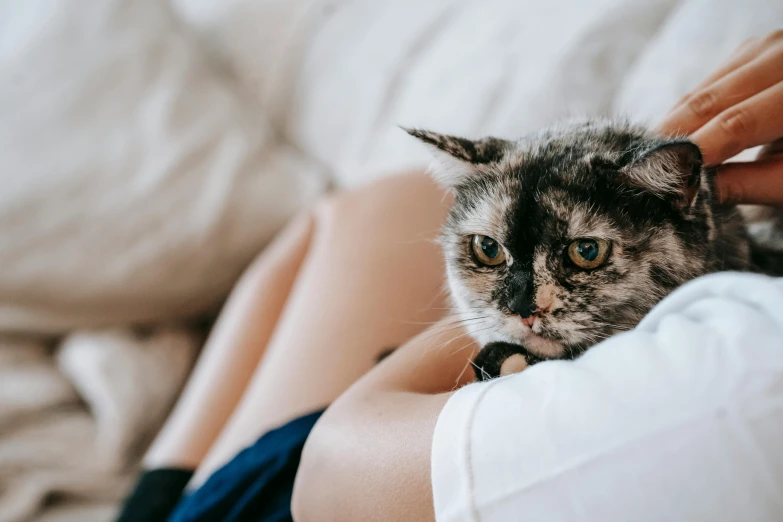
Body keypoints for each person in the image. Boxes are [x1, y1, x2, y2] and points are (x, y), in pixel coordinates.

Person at [116, 32, 783, 522]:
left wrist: (486, 327)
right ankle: (149, 505)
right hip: (335, 443)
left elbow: (331, 477)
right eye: (487, 254)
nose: (530, 306)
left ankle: (157, 508)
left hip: (317, 477)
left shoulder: (727, 387)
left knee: (365, 219)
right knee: (377, 205)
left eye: (583, 256)